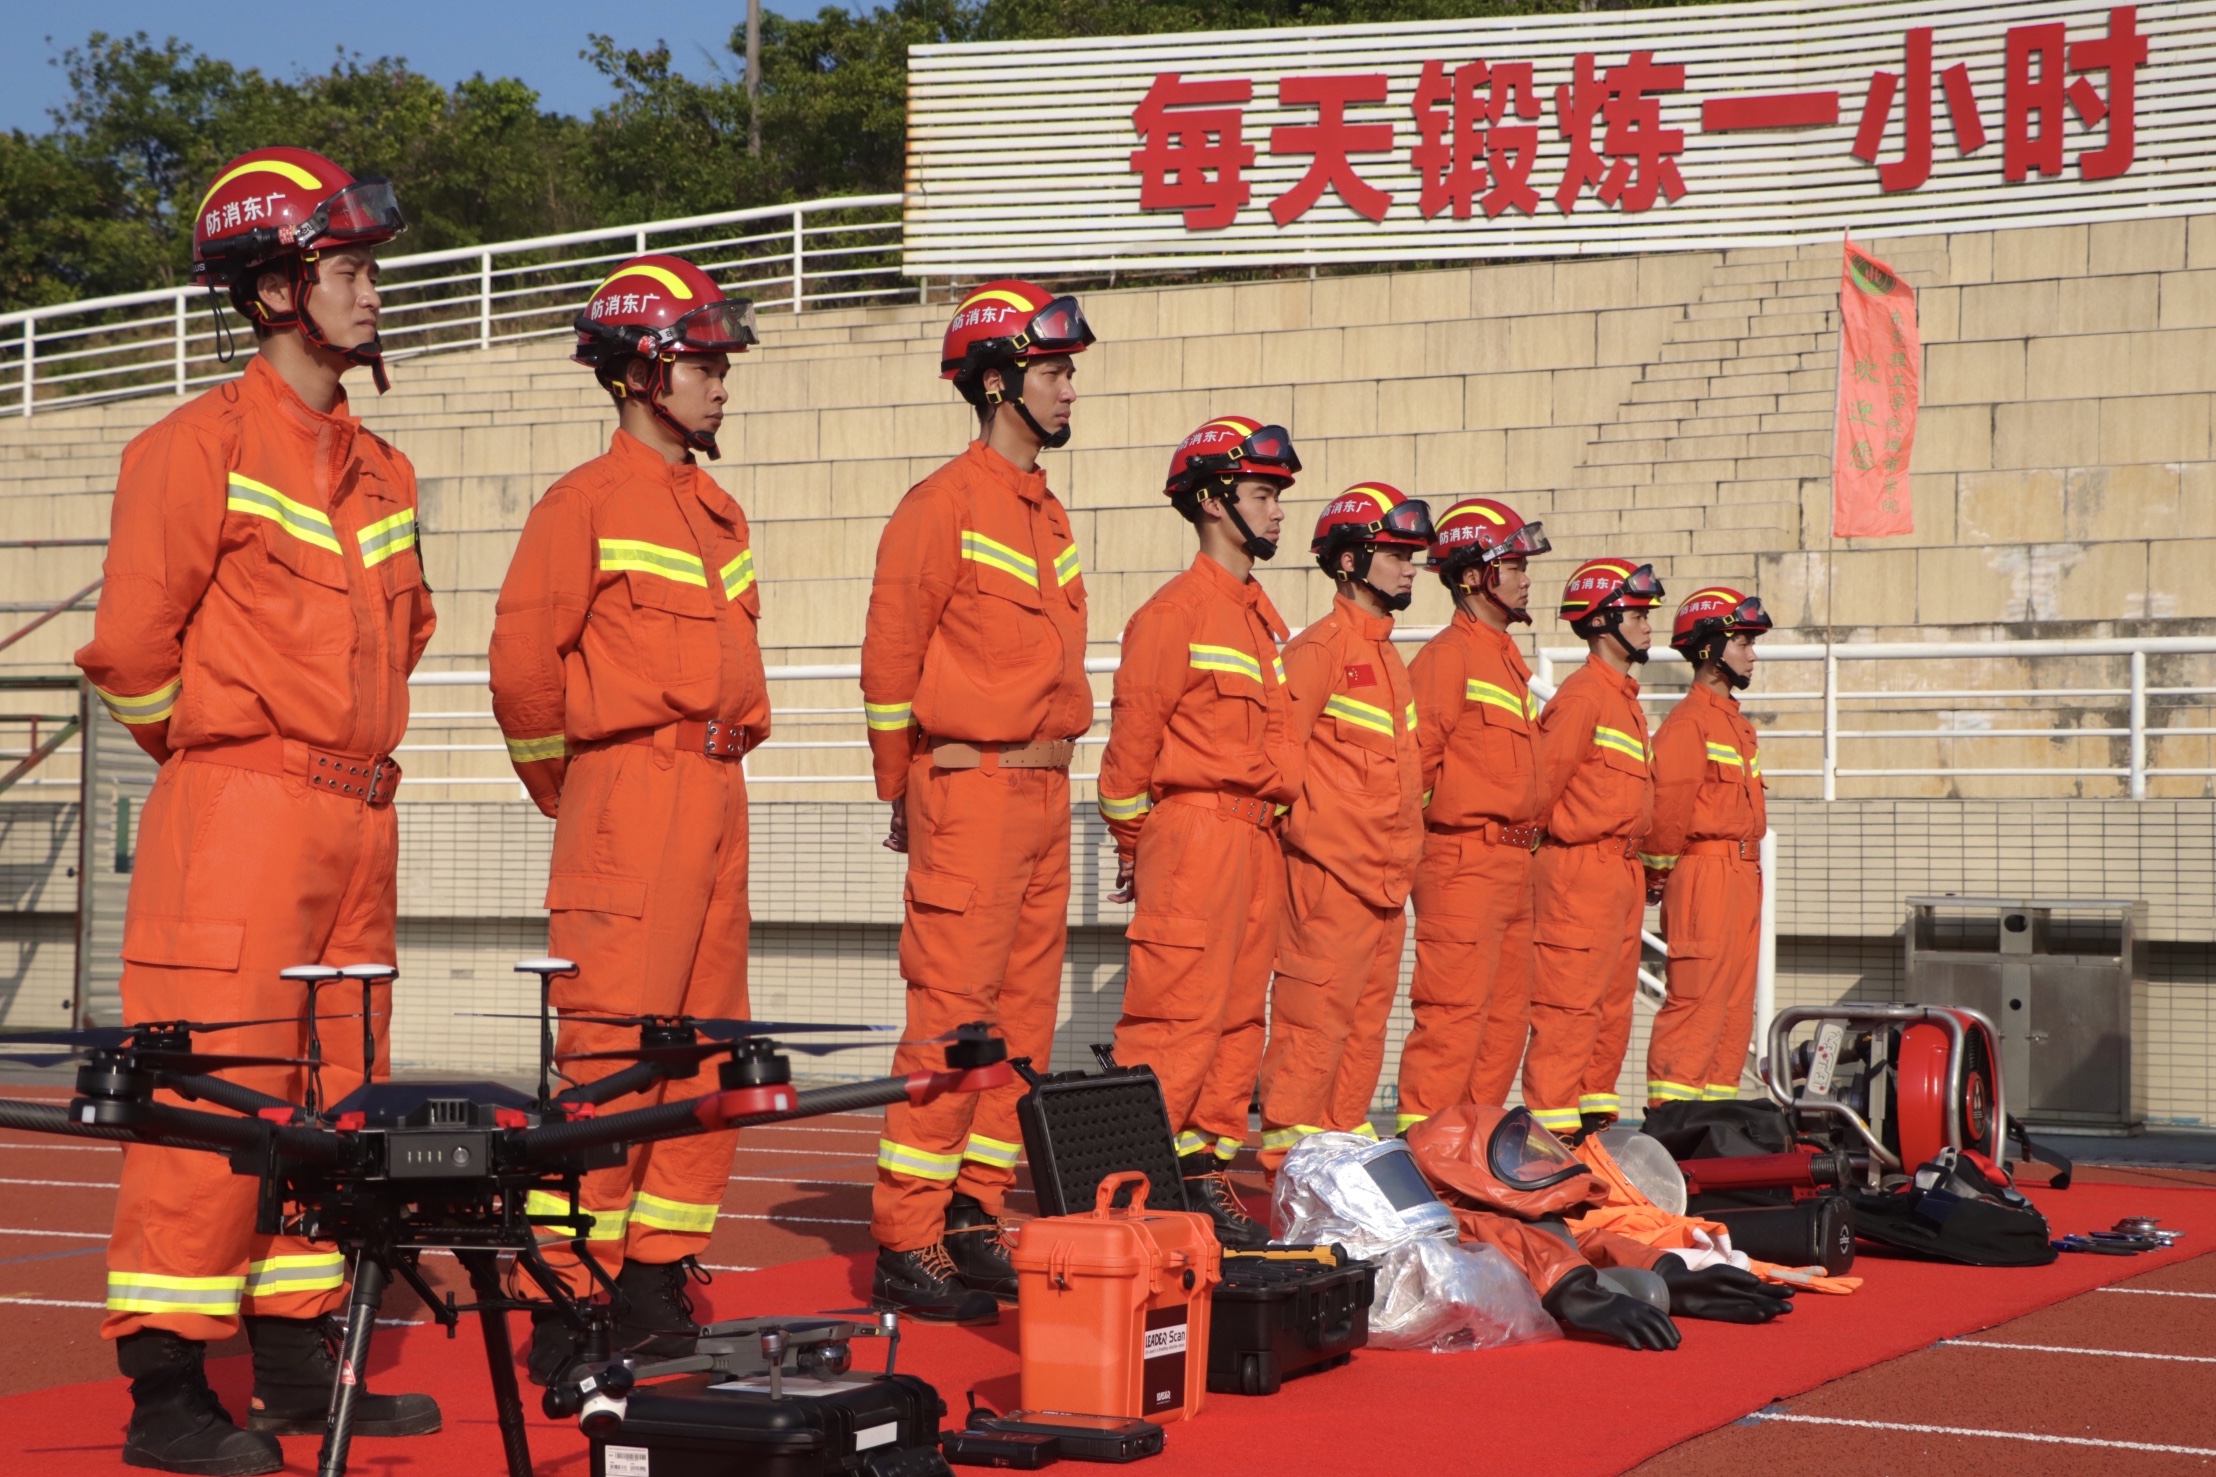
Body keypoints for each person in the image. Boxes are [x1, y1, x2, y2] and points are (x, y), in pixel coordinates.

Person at [74, 146, 438, 1475]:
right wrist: (223, 755)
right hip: (236, 813)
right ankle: (166, 1397)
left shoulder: (384, 469)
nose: (371, 291)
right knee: (212, 1101)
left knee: (334, 1099)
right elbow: (131, 653)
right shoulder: (192, 449)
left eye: (368, 269)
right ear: (276, 288)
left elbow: (409, 636)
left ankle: (293, 1367)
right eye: (345, 269)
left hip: (358, 821)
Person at [488, 254, 769, 1382]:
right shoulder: (584, 504)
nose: (721, 383)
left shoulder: (716, 509)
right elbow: (522, 670)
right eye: (703, 364)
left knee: (707, 1050)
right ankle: (567, 1292)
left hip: (716, 789)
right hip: (630, 791)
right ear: (641, 372)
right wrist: (580, 795)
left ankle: (656, 1271)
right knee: (609, 1052)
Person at [862, 280, 1094, 1318]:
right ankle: (907, 1236)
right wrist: (902, 787)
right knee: (952, 1018)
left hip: (1043, 787)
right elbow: (889, 661)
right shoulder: (941, 506)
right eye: (1052, 371)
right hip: (972, 787)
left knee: (1020, 1024)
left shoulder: (1047, 512)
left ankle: (971, 1212)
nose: (1069, 388)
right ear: (997, 381)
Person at [1097, 417, 1304, 1247]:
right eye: (1262, 493)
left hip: (1256, 840)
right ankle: (1128, 1187)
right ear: (1215, 502)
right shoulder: (1173, 614)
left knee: (1237, 1021)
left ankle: (1200, 1165)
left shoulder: (1259, 622)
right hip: (1196, 833)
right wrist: (1139, 849)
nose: (1278, 510)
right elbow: (1128, 758)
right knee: (1174, 1016)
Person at [1259, 485, 1433, 1170]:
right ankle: (1289, 1172)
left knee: (1362, 1033)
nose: (1410, 568)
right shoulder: (1319, 650)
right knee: (1312, 1027)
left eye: (1412, 555)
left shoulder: (1389, 661)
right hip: (1327, 883)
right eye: (1396, 554)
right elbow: (1278, 764)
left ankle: (1341, 1165)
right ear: (1350, 560)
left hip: (1385, 886)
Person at [1396, 498, 1553, 1132]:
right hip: (1462, 861)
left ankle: (1474, 1149)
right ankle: (1426, 1150)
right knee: (1453, 1015)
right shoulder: (1447, 658)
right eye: (1513, 566)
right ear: (1472, 576)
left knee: (1504, 1022)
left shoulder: (1503, 659)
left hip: (1513, 865)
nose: (1525, 578)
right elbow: (1414, 772)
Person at [1521, 559, 1665, 1139]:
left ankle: (1591, 1135)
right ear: (1603, 621)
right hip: (1578, 871)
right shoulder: (1582, 698)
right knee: (1568, 1010)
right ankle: (1550, 1143)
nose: (1649, 625)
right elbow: (1538, 792)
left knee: (1610, 1010)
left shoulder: (1624, 702)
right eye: (1637, 614)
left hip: (1619, 872)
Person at [1643, 587, 1774, 1109]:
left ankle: (1716, 1120)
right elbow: (1667, 814)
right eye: (1743, 642)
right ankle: (1673, 1120)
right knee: (1696, 1000)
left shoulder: (1736, 726)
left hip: (1742, 875)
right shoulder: (1688, 724)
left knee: (1733, 1006)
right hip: (1705, 875)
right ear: (1709, 647)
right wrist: (1657, 876)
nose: (1752, 654)